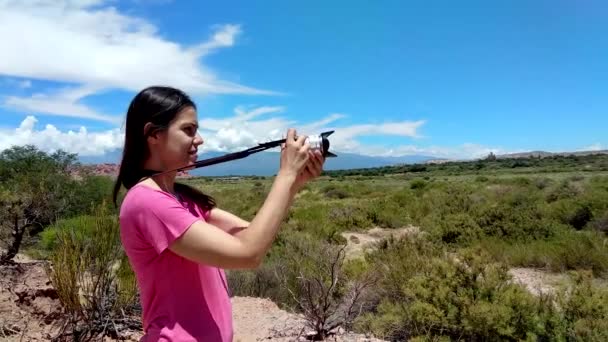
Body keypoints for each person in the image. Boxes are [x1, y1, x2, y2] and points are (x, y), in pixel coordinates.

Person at [112, 86, 325, 342]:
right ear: (153, 134)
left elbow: (251, 234)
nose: (199, 139)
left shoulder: (182, 199)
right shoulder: (146, 202)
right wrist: (286, 175)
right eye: (188, 130)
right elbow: (247, 254)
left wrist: (294, 184)